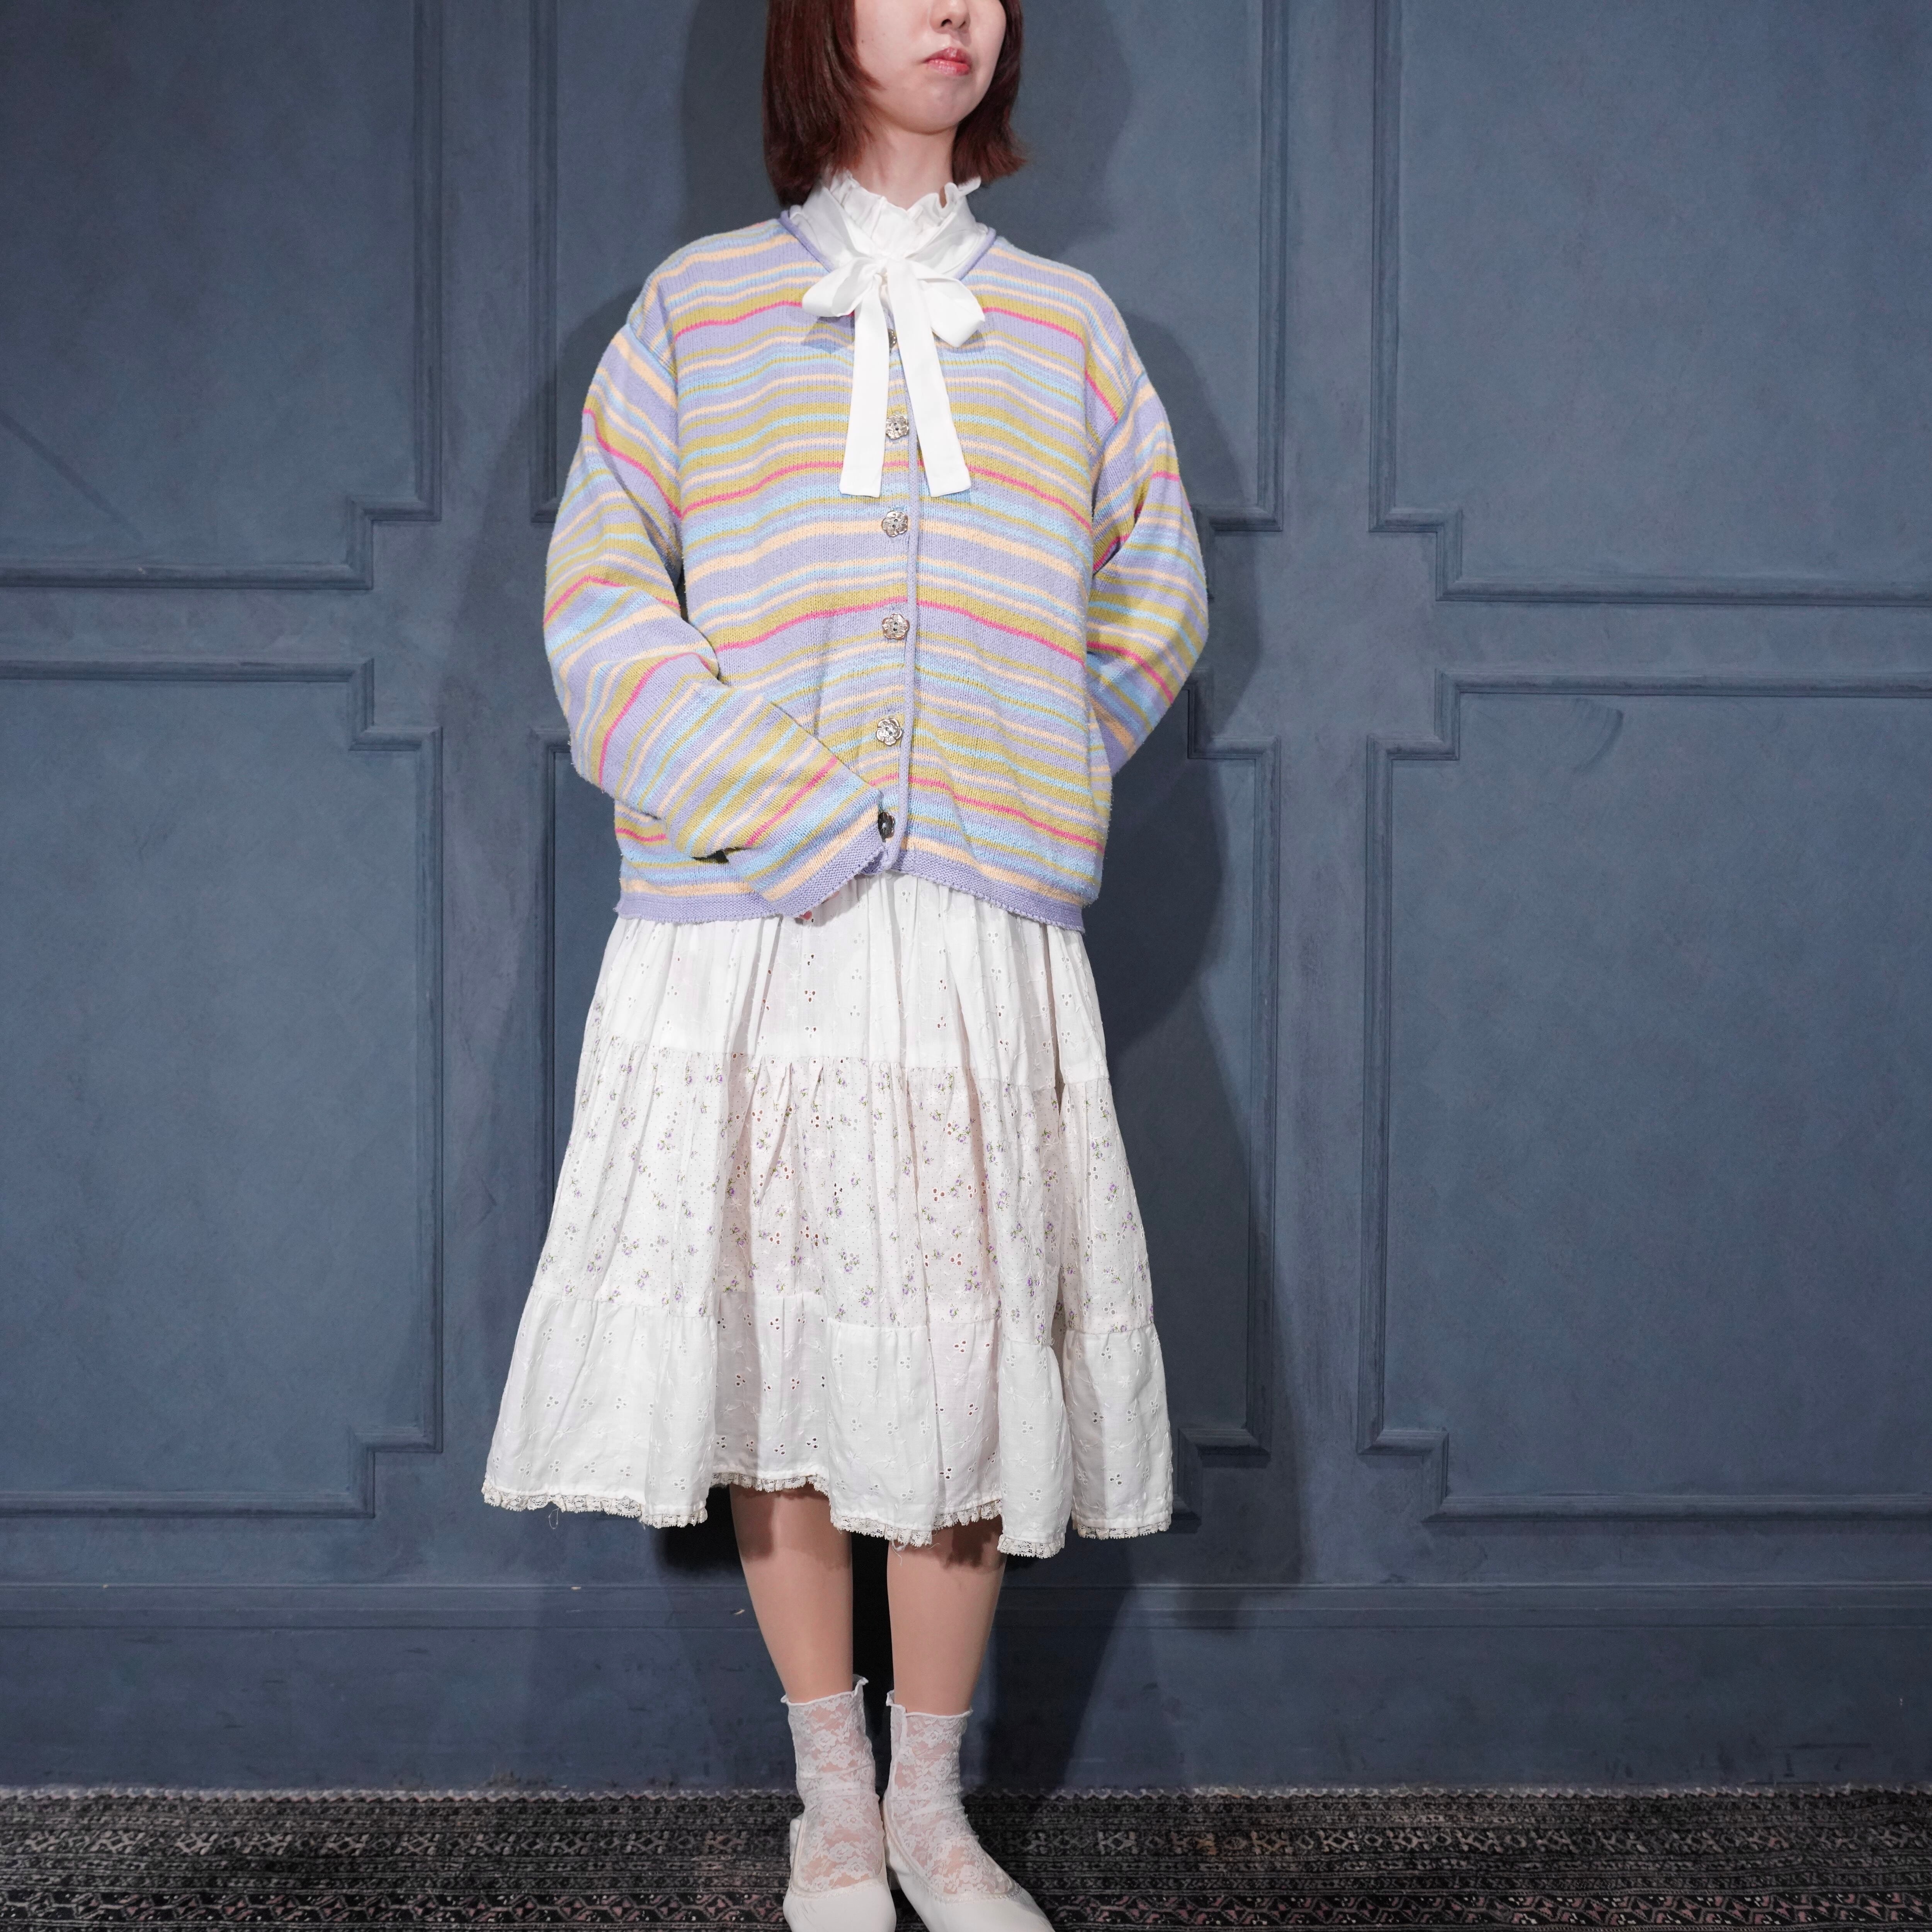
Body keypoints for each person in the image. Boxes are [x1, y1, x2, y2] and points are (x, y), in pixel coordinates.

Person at [482, 0, 1208, 1925]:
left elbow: (1155, 590)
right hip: (756, 920)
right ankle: (828, 1804)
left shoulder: (1065, 330)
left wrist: (1026, 763)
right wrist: (770, 797)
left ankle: (930, 1812)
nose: (954, 9)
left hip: (971, 926)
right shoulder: (698, 311)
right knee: (784, 1355)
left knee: (957, 1365)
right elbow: (595, 594)